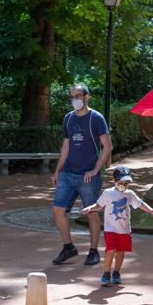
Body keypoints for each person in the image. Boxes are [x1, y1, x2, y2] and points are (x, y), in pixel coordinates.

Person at [51, 83, 113, 265]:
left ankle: (93, 251)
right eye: (72, 97)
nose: (75, 100)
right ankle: (68, 247)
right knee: (58, 210)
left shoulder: (96, 118)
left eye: (78, 96)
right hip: (68, 174)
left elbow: (107, 146)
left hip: (88, 176)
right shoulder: (68, 119)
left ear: (87, 97)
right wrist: (57, 171)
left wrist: (95, 170)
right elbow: (65, 147)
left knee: (91, 213)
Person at [81, 166, 153, 286]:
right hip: (110, 229)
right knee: (110, 250)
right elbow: (99, 205)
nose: (124, 184)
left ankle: (116, 272)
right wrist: (90, 208)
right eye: (121, 182)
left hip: (124, 229)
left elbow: (140, 203)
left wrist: (150, 210)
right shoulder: (108, 193)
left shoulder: (129, 194)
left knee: (121, 252)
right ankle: (106, 273)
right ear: (115, 181)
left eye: (126, 182)